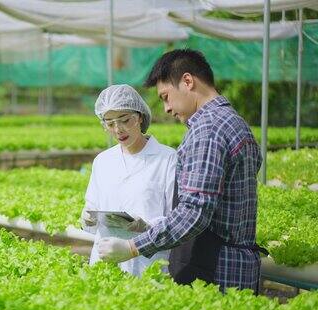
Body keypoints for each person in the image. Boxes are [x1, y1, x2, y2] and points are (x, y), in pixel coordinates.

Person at [97, 49, 268, 292]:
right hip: (237, 266)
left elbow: (194, 213)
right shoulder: (234, 122)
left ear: (188, 81)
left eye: (166, 96)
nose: (166, 108)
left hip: (215, 269)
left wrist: (133, 247)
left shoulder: (208, 130)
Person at [81, 84, 176, 276]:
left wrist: (147, 226)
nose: (118, 129)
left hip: (148, 265)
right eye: (110, 123)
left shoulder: (167, 159)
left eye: (125, 120)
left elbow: (178, 219)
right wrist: (87, 219)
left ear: (140, 116)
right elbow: (92, 207)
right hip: (105, 263)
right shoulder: (103, 161)